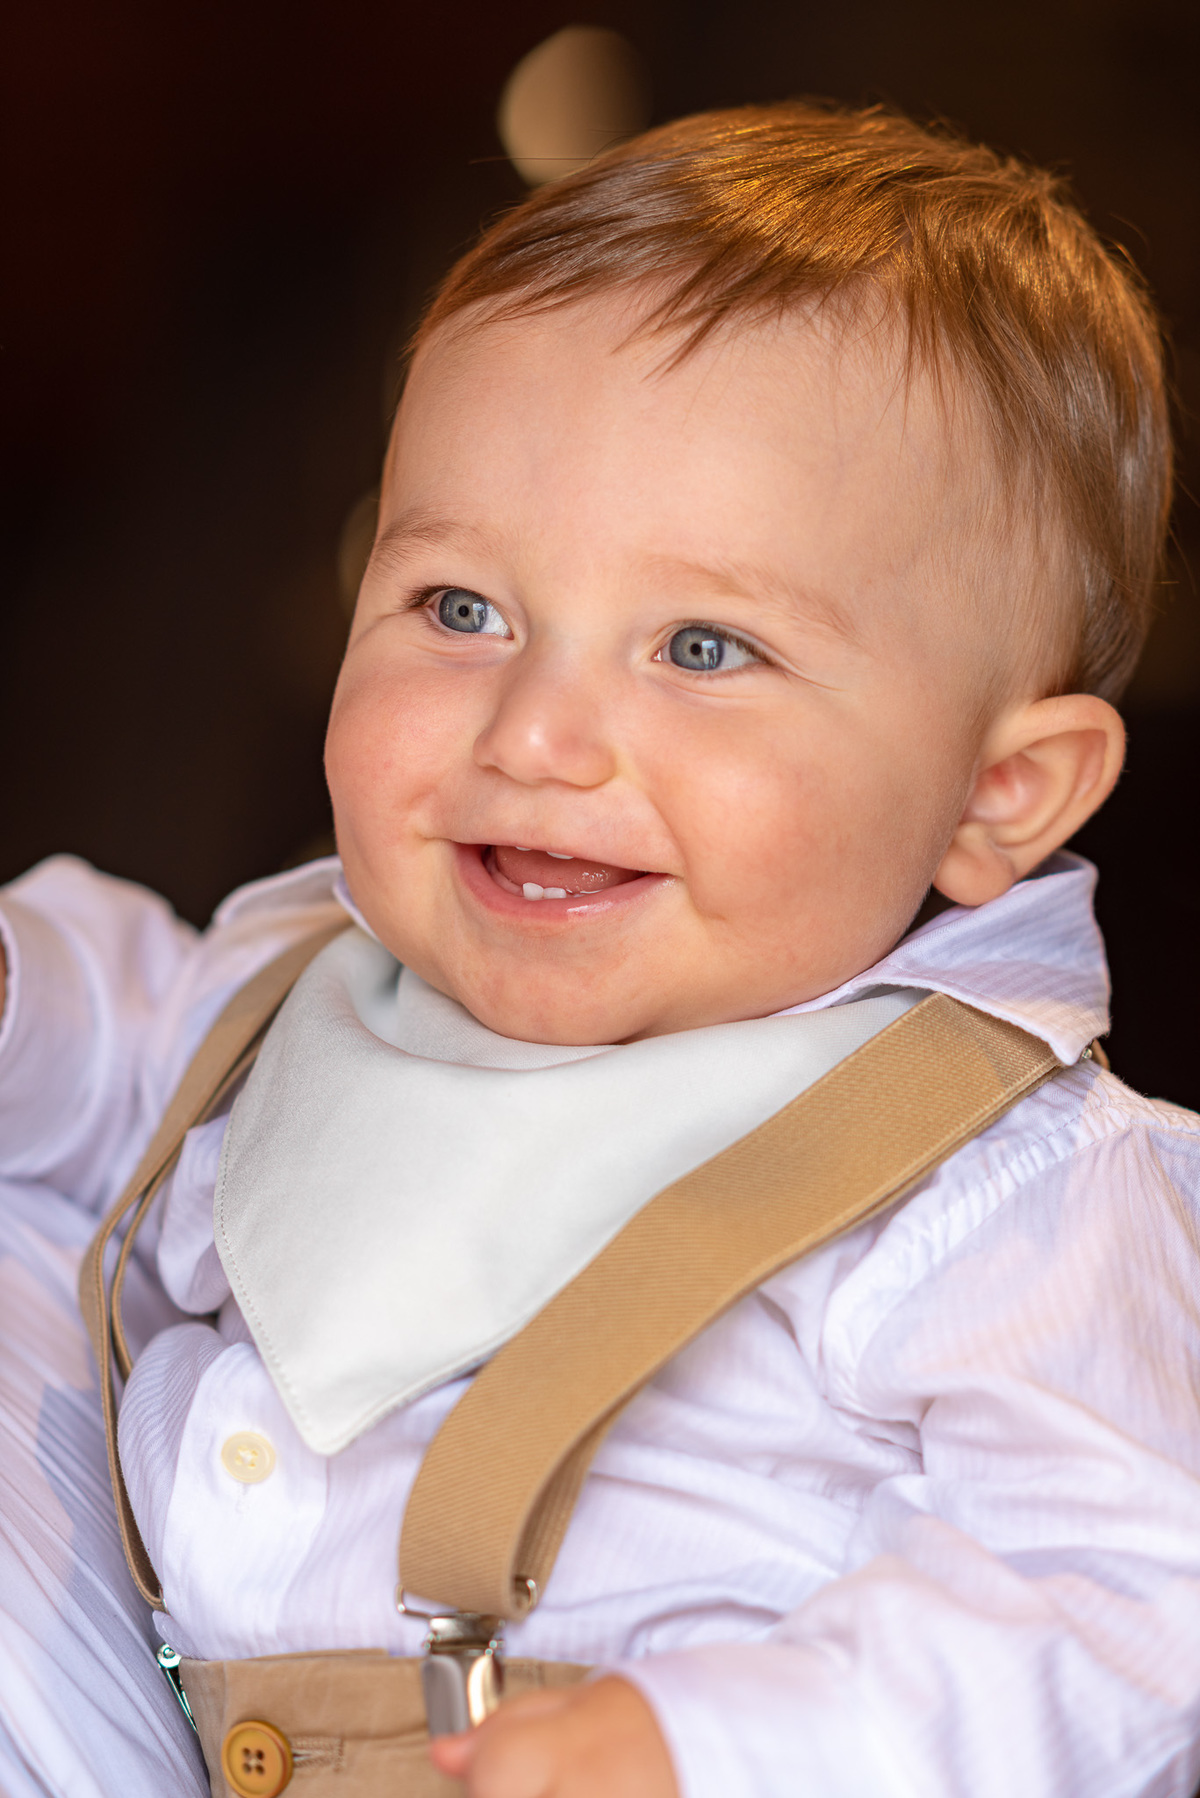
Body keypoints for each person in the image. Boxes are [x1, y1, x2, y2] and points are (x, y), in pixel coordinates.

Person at [2, 99, 1199, 1798]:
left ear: (996, 792)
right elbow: (107, 1033)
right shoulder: (302, 988)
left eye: (703, 645)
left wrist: (709, 1744)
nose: (539, 733)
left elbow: (1132, 1598)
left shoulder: (1003, 1191)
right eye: (461, 610)